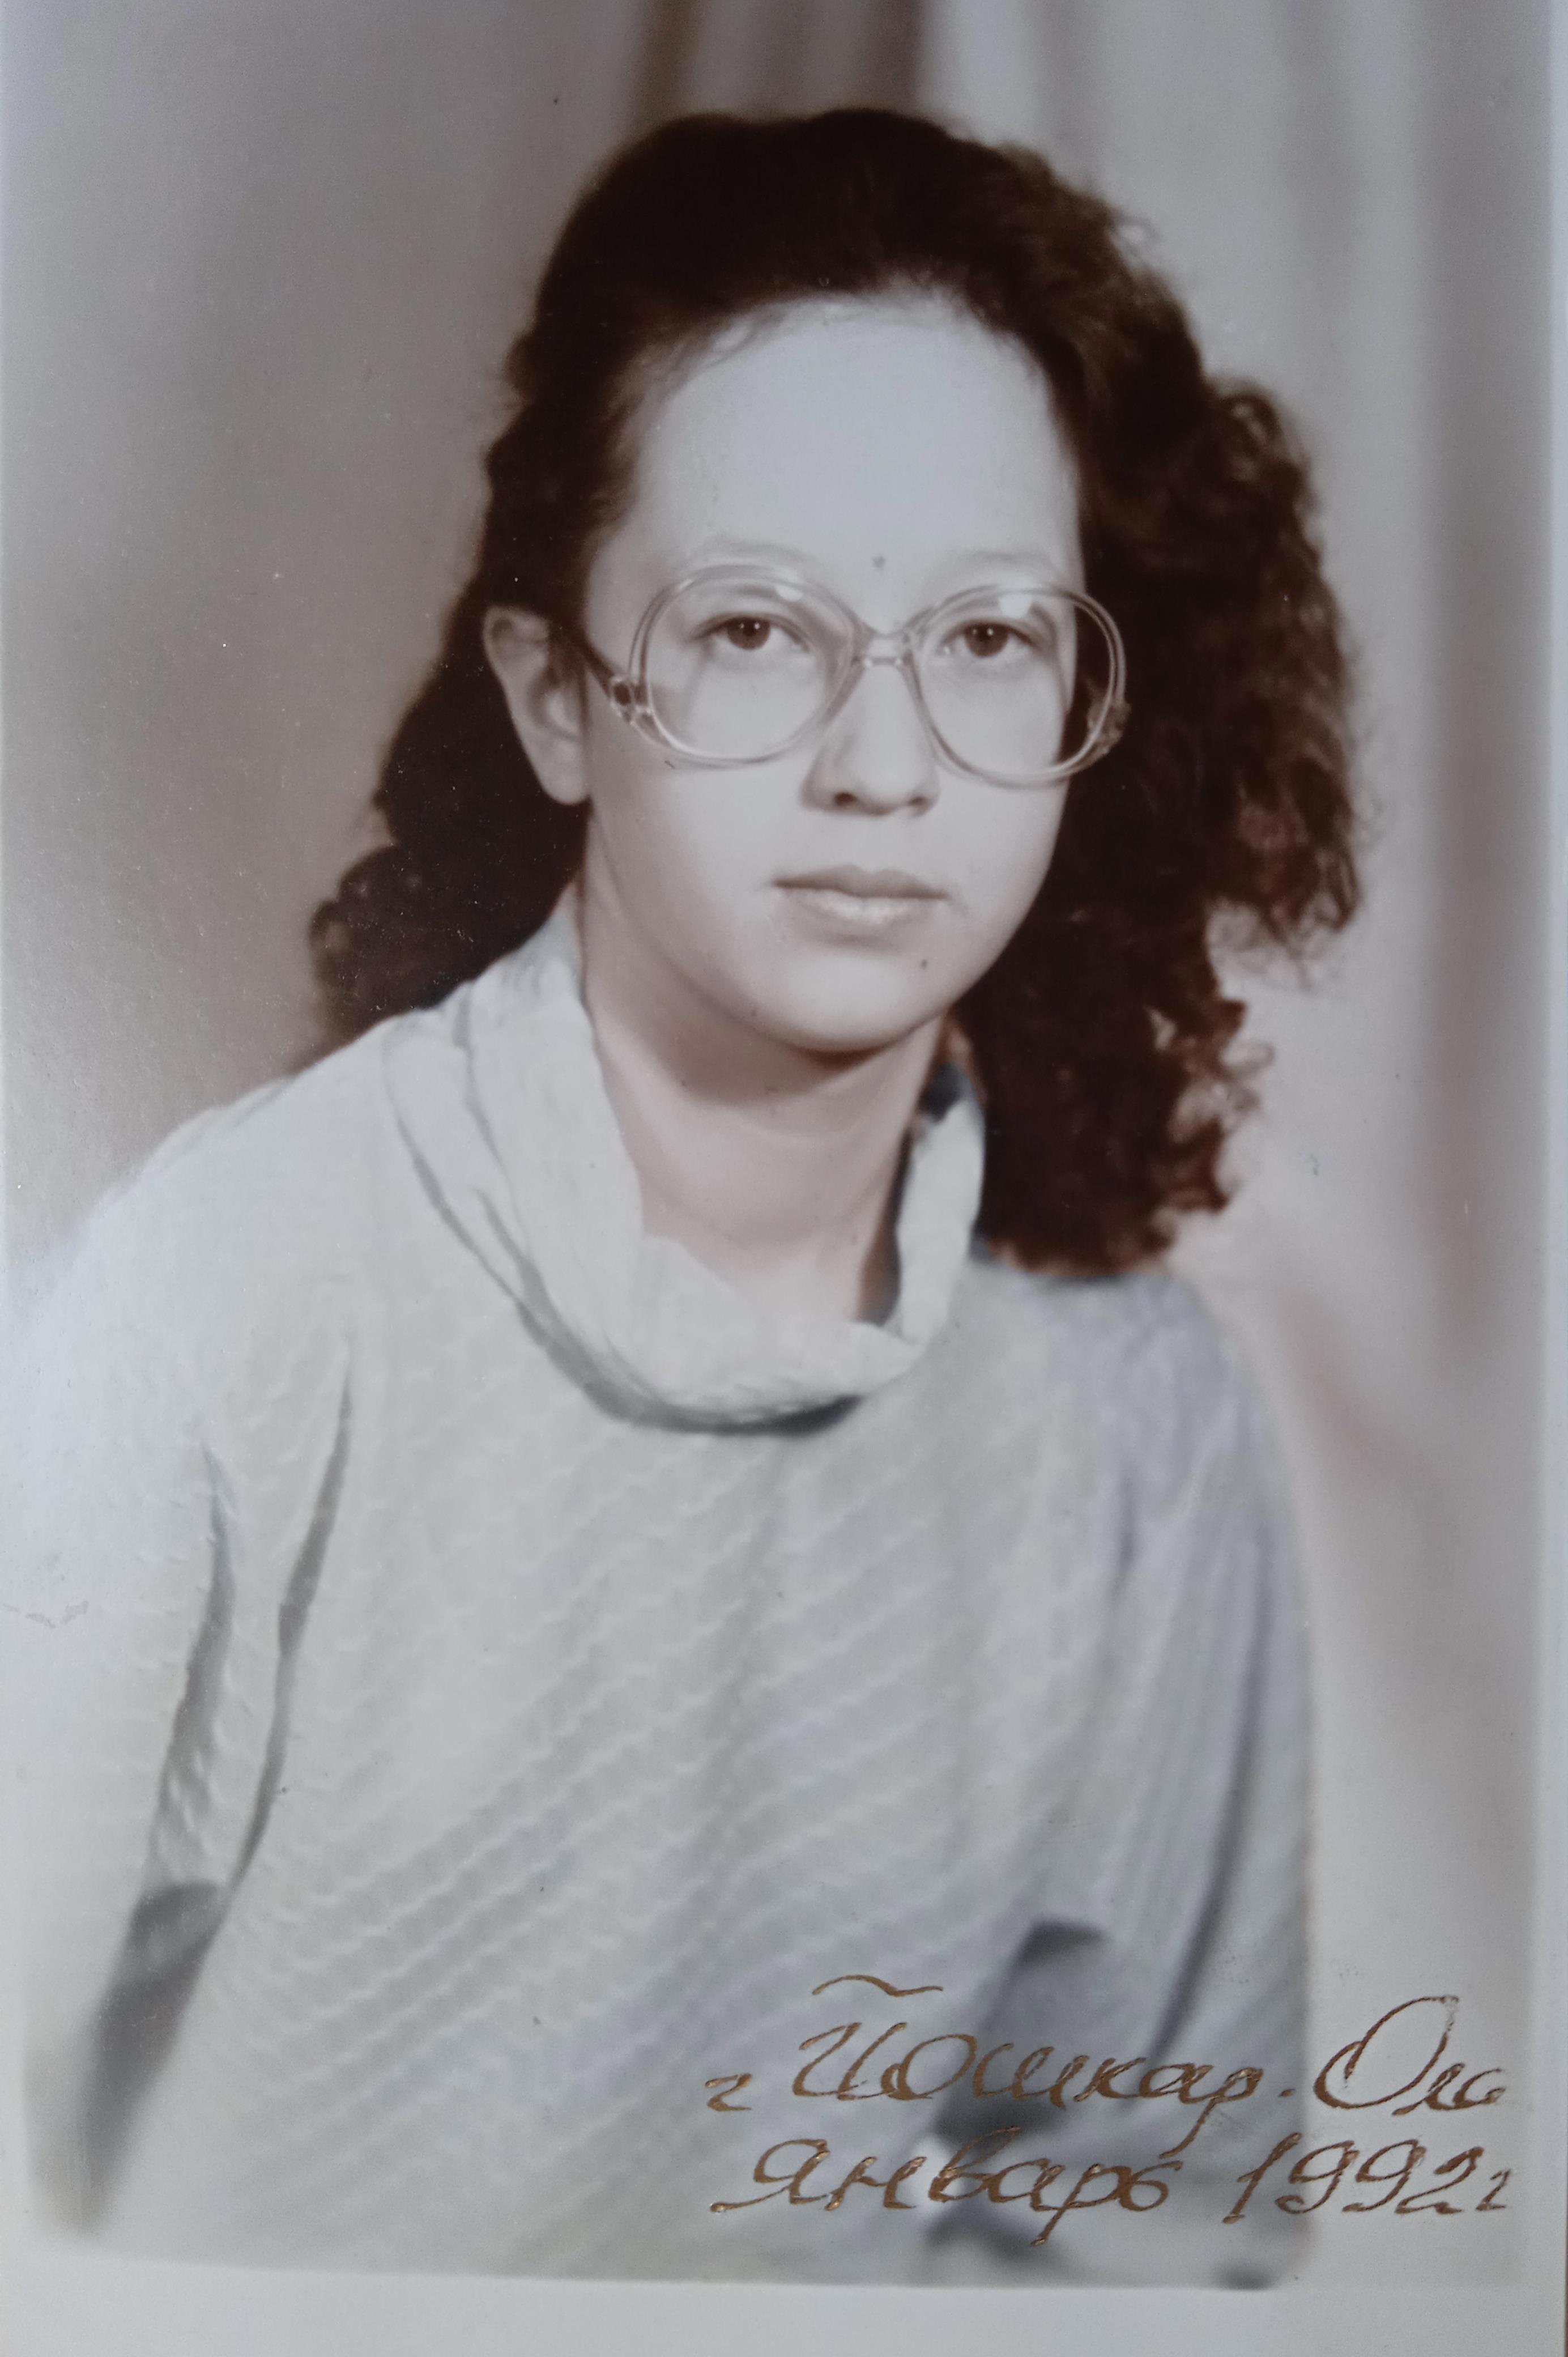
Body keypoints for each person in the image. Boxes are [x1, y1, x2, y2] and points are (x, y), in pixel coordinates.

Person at [7, 108, 1357, 2287]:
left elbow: (1157, 2235)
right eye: (752, 627)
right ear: (559, 700)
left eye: (990, 637)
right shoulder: (222, 1309)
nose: (885, 767)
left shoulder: (1144, 1423)